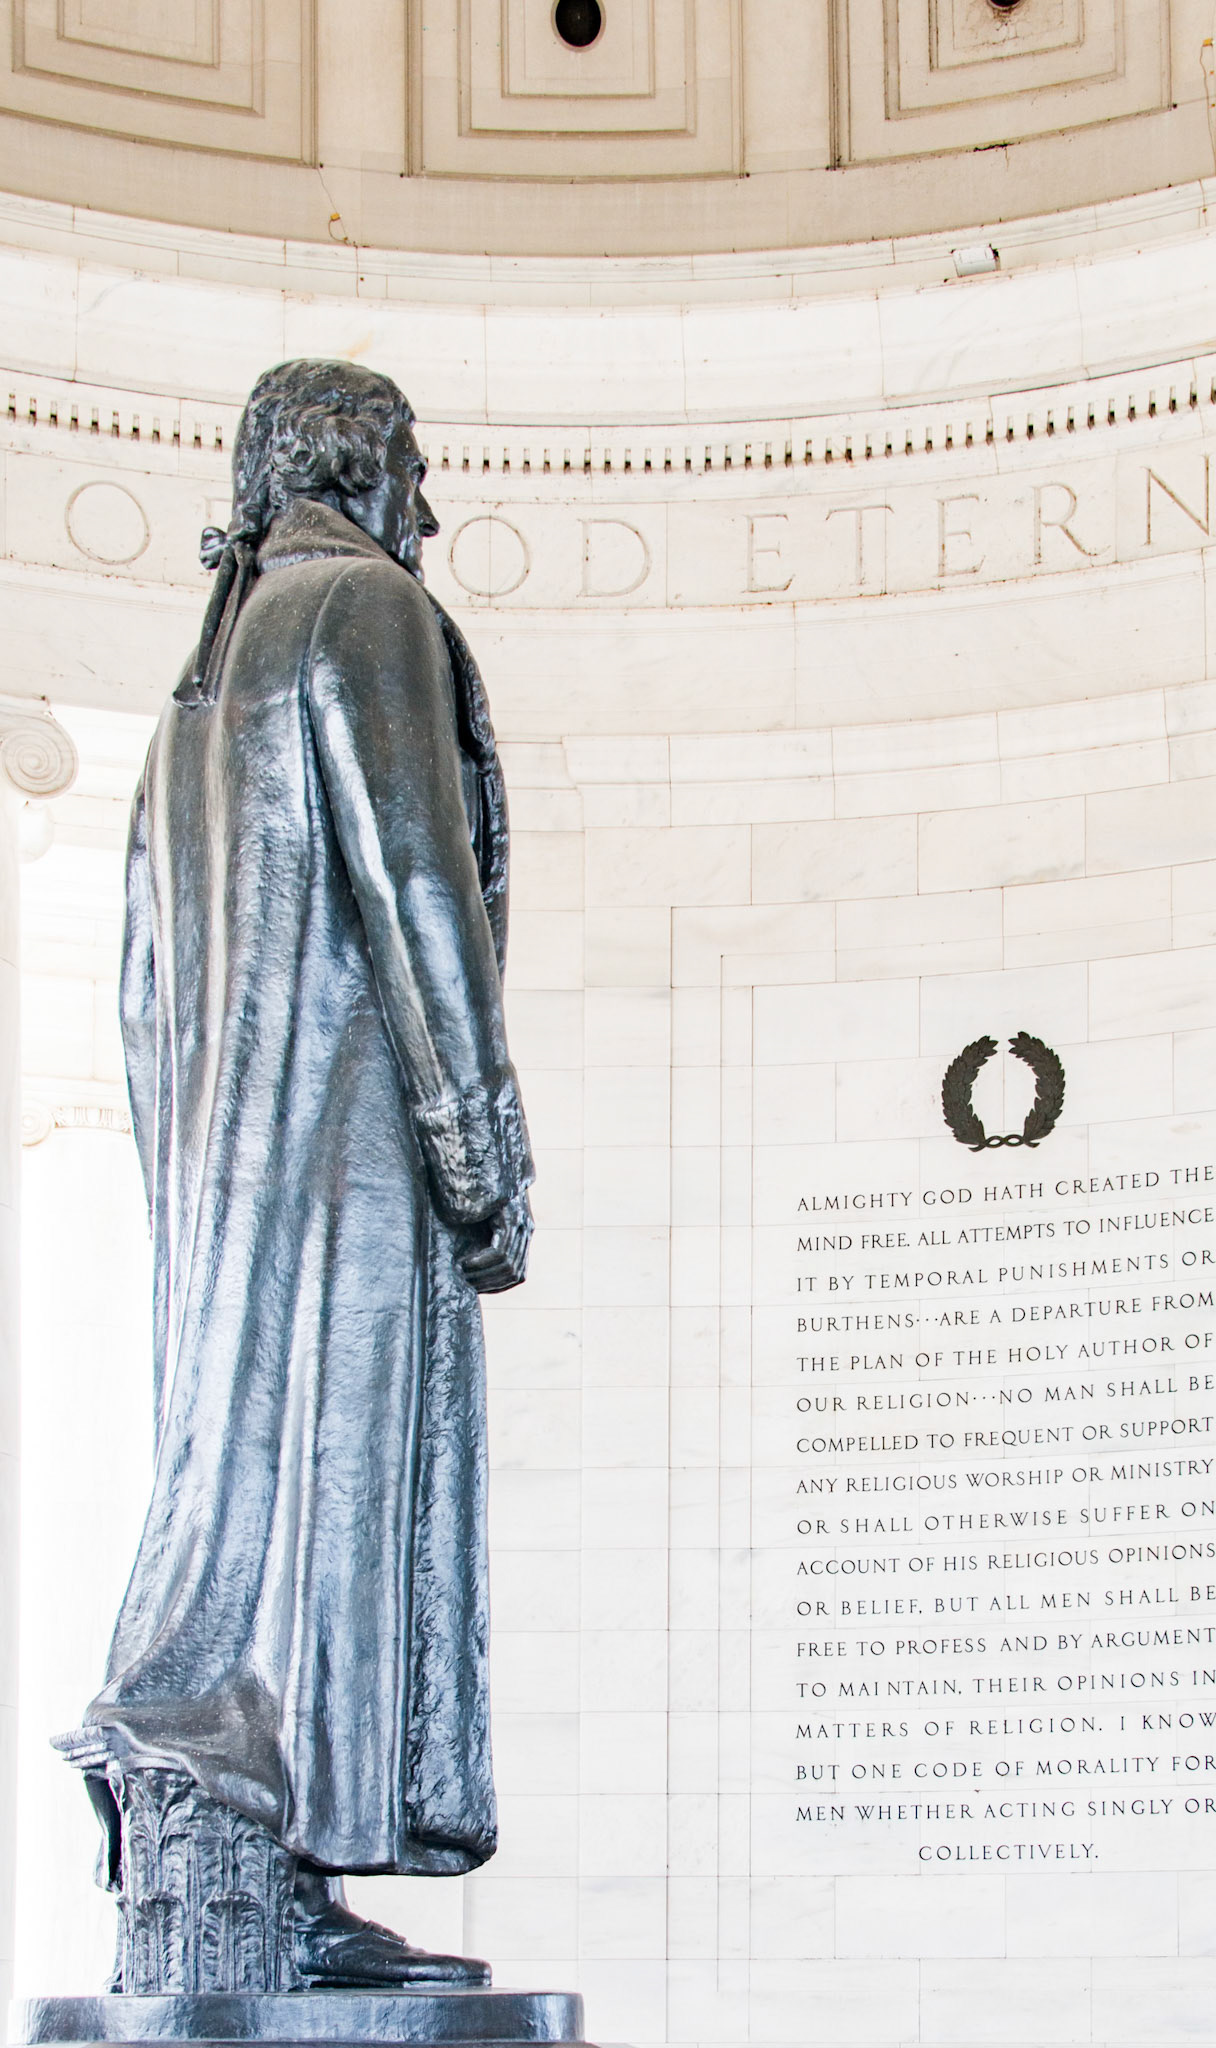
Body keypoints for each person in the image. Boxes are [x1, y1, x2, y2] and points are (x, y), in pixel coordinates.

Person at [77, 359, 532, 1989]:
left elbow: (137, 993)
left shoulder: (191, 700)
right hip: (346, 1151)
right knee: (334, 1491)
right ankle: (247, 1833)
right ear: (362, 465)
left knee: (263, 1490)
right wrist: (479, 1146)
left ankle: (265, 1878)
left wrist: (198, 1203)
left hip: (228, 1176)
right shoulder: (363, 613)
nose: (431, 501)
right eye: (419, 460)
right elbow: (423, 894)